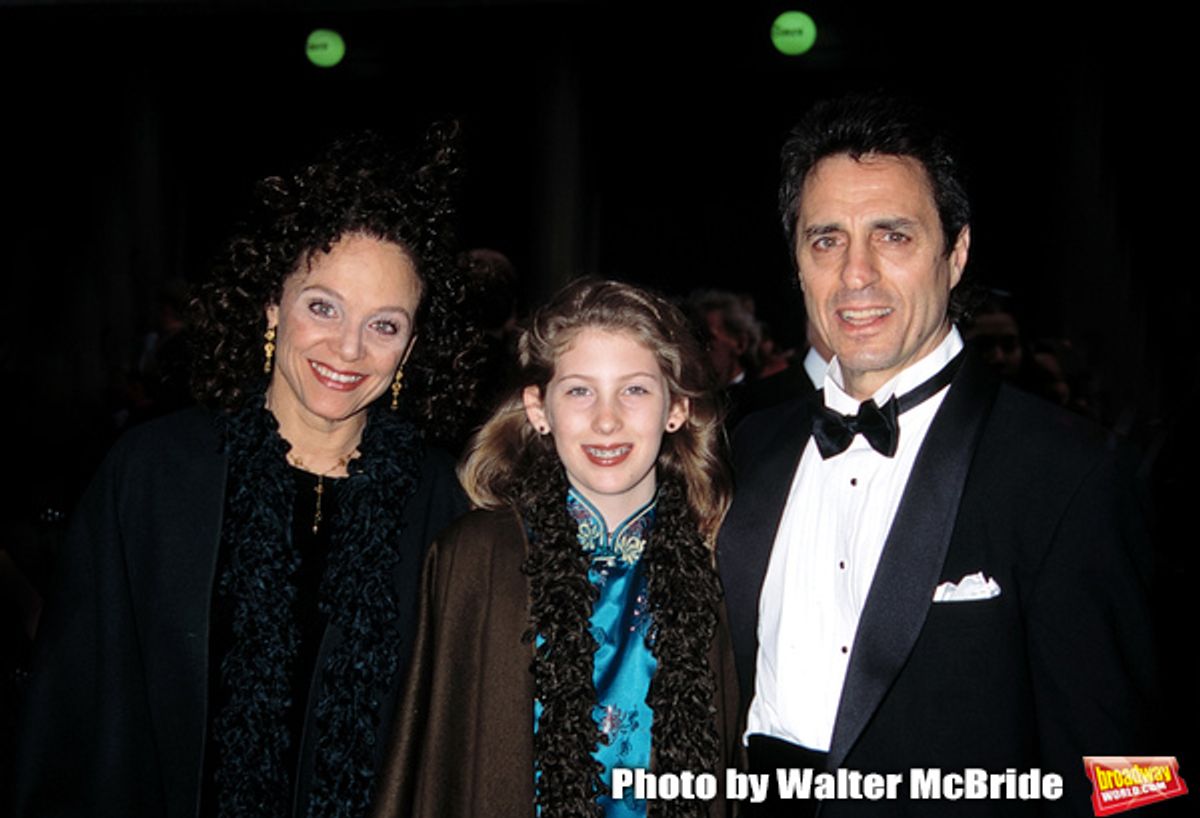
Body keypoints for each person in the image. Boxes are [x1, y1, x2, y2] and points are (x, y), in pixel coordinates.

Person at [10, 130, 478, 818]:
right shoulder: (154, 474)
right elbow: (76, 716)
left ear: (411, 346)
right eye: (322, 306)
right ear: (271, 305)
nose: (348, 348)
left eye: (384, 325)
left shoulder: (442, 500)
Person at [717, 94, 1158, 816]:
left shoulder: (1068, 474)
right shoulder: (744, 449)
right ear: (797, 260)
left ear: (955, 255)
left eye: (893, 236)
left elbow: (1126, 770)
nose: (855, 274)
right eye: (826, 239)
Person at [373, 279, 740, 818]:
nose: (607, 419)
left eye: (635, 389)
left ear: (677, 408)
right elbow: (440, 763)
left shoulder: (721, 560)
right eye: (579, 391)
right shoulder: (474, 557)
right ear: (538, 408)